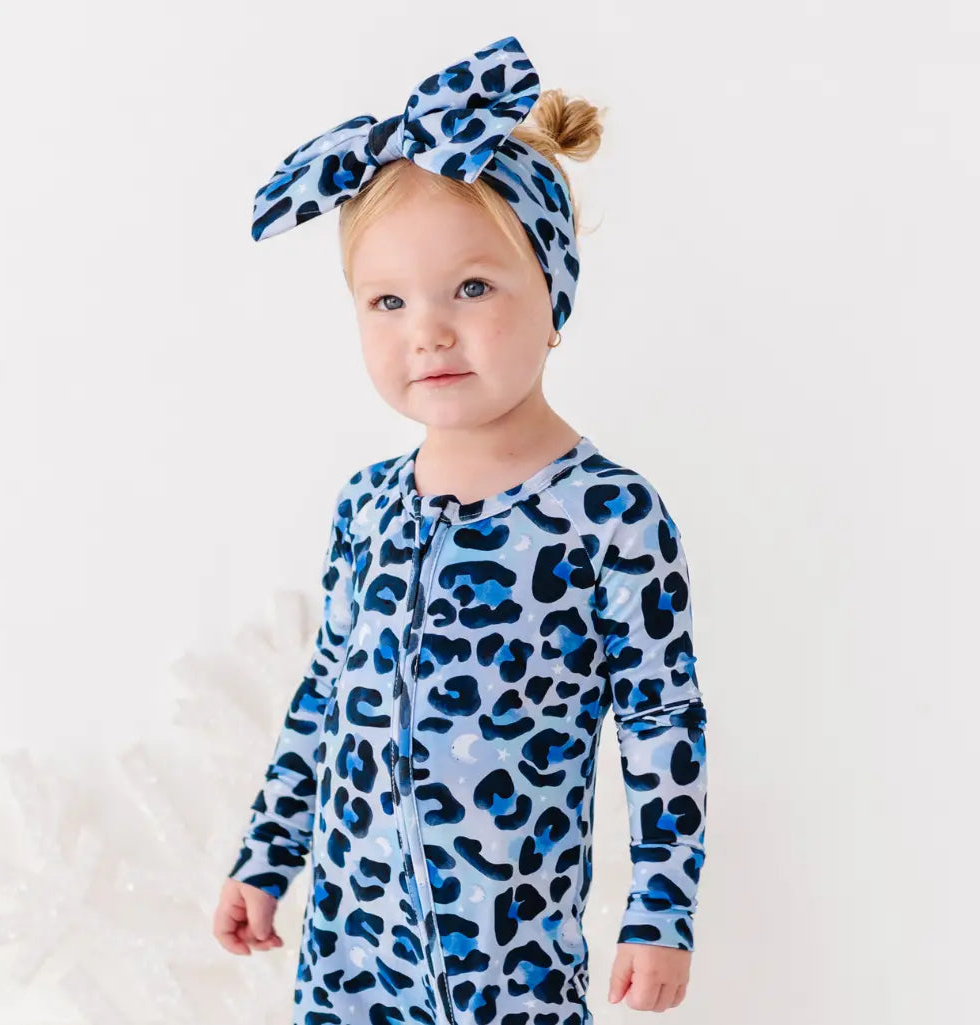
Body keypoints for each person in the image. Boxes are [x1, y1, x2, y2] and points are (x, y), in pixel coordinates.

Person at [212, 33, 708, 1023]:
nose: (425, 330)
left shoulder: (606, 515)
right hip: (351, 947)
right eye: (386, 301)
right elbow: (323, 696)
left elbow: (661, 726)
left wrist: (659, 912)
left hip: (507, 958)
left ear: (553, 296)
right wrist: (266, 854)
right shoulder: (365, 504)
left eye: (471, 288)